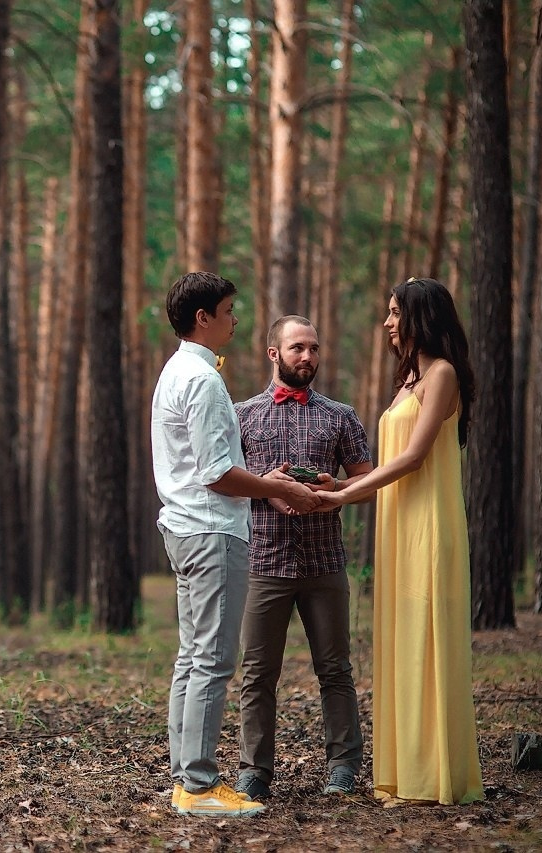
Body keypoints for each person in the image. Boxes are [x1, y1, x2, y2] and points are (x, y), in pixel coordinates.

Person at [151, 272, 322, 818]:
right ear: (202, 318)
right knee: (212, 660)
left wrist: (264, 483)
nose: (235, 319)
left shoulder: (177, 370)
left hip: (188, 527)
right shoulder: (201, 380)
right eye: (227, 310)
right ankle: (199, 786)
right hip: (210, 532)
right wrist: (277, 488)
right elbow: (217, 473)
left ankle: (185, 779)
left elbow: (214, 467)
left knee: (192, 657)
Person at [316, 277, 484, 806]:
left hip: (428, 526)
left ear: (421, 317)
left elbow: (413, 458)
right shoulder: (409, 378)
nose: (388, 323)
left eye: (395, 312)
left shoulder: (443, 374)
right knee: (401, 643)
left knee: (426, 641)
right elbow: (390, 463)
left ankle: (433, 775)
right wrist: (339, 486)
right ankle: (403, 770)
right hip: (397, 526)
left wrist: (346, 496)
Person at [232, 315, 373, 803]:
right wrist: (268, 490)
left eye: (313, 348)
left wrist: (336, 490)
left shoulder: (340, 416)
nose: (307, 356)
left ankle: (344, 766)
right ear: (274, 353)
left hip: (324, 561)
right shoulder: (241, 416)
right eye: (297, 348)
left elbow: (368, 482)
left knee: (335, 669)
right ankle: (254, 771)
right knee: (257, 674)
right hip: (263, 562)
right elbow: (224, 482)